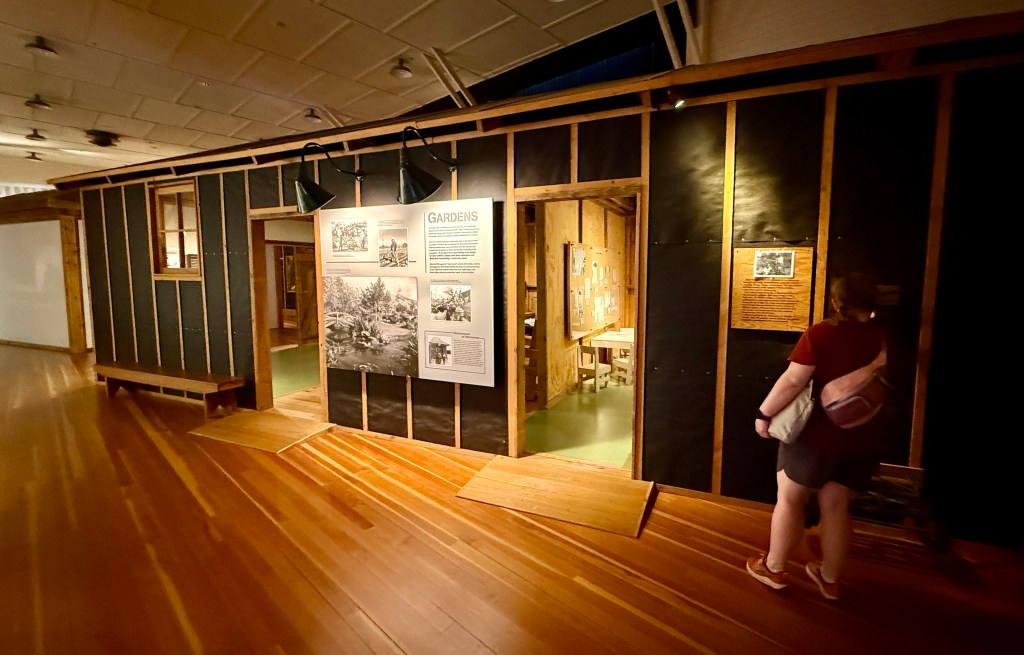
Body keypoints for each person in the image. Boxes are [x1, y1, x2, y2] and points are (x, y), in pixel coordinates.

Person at [746, 272, 886, 600]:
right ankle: (830, 579)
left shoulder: (821, 333)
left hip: (815, 436)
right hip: (861, 437)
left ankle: (774, 568)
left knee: (791, 500)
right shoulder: (881, 338)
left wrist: (764, 414)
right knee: (837, 507)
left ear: (836, 302)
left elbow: (794, 381)